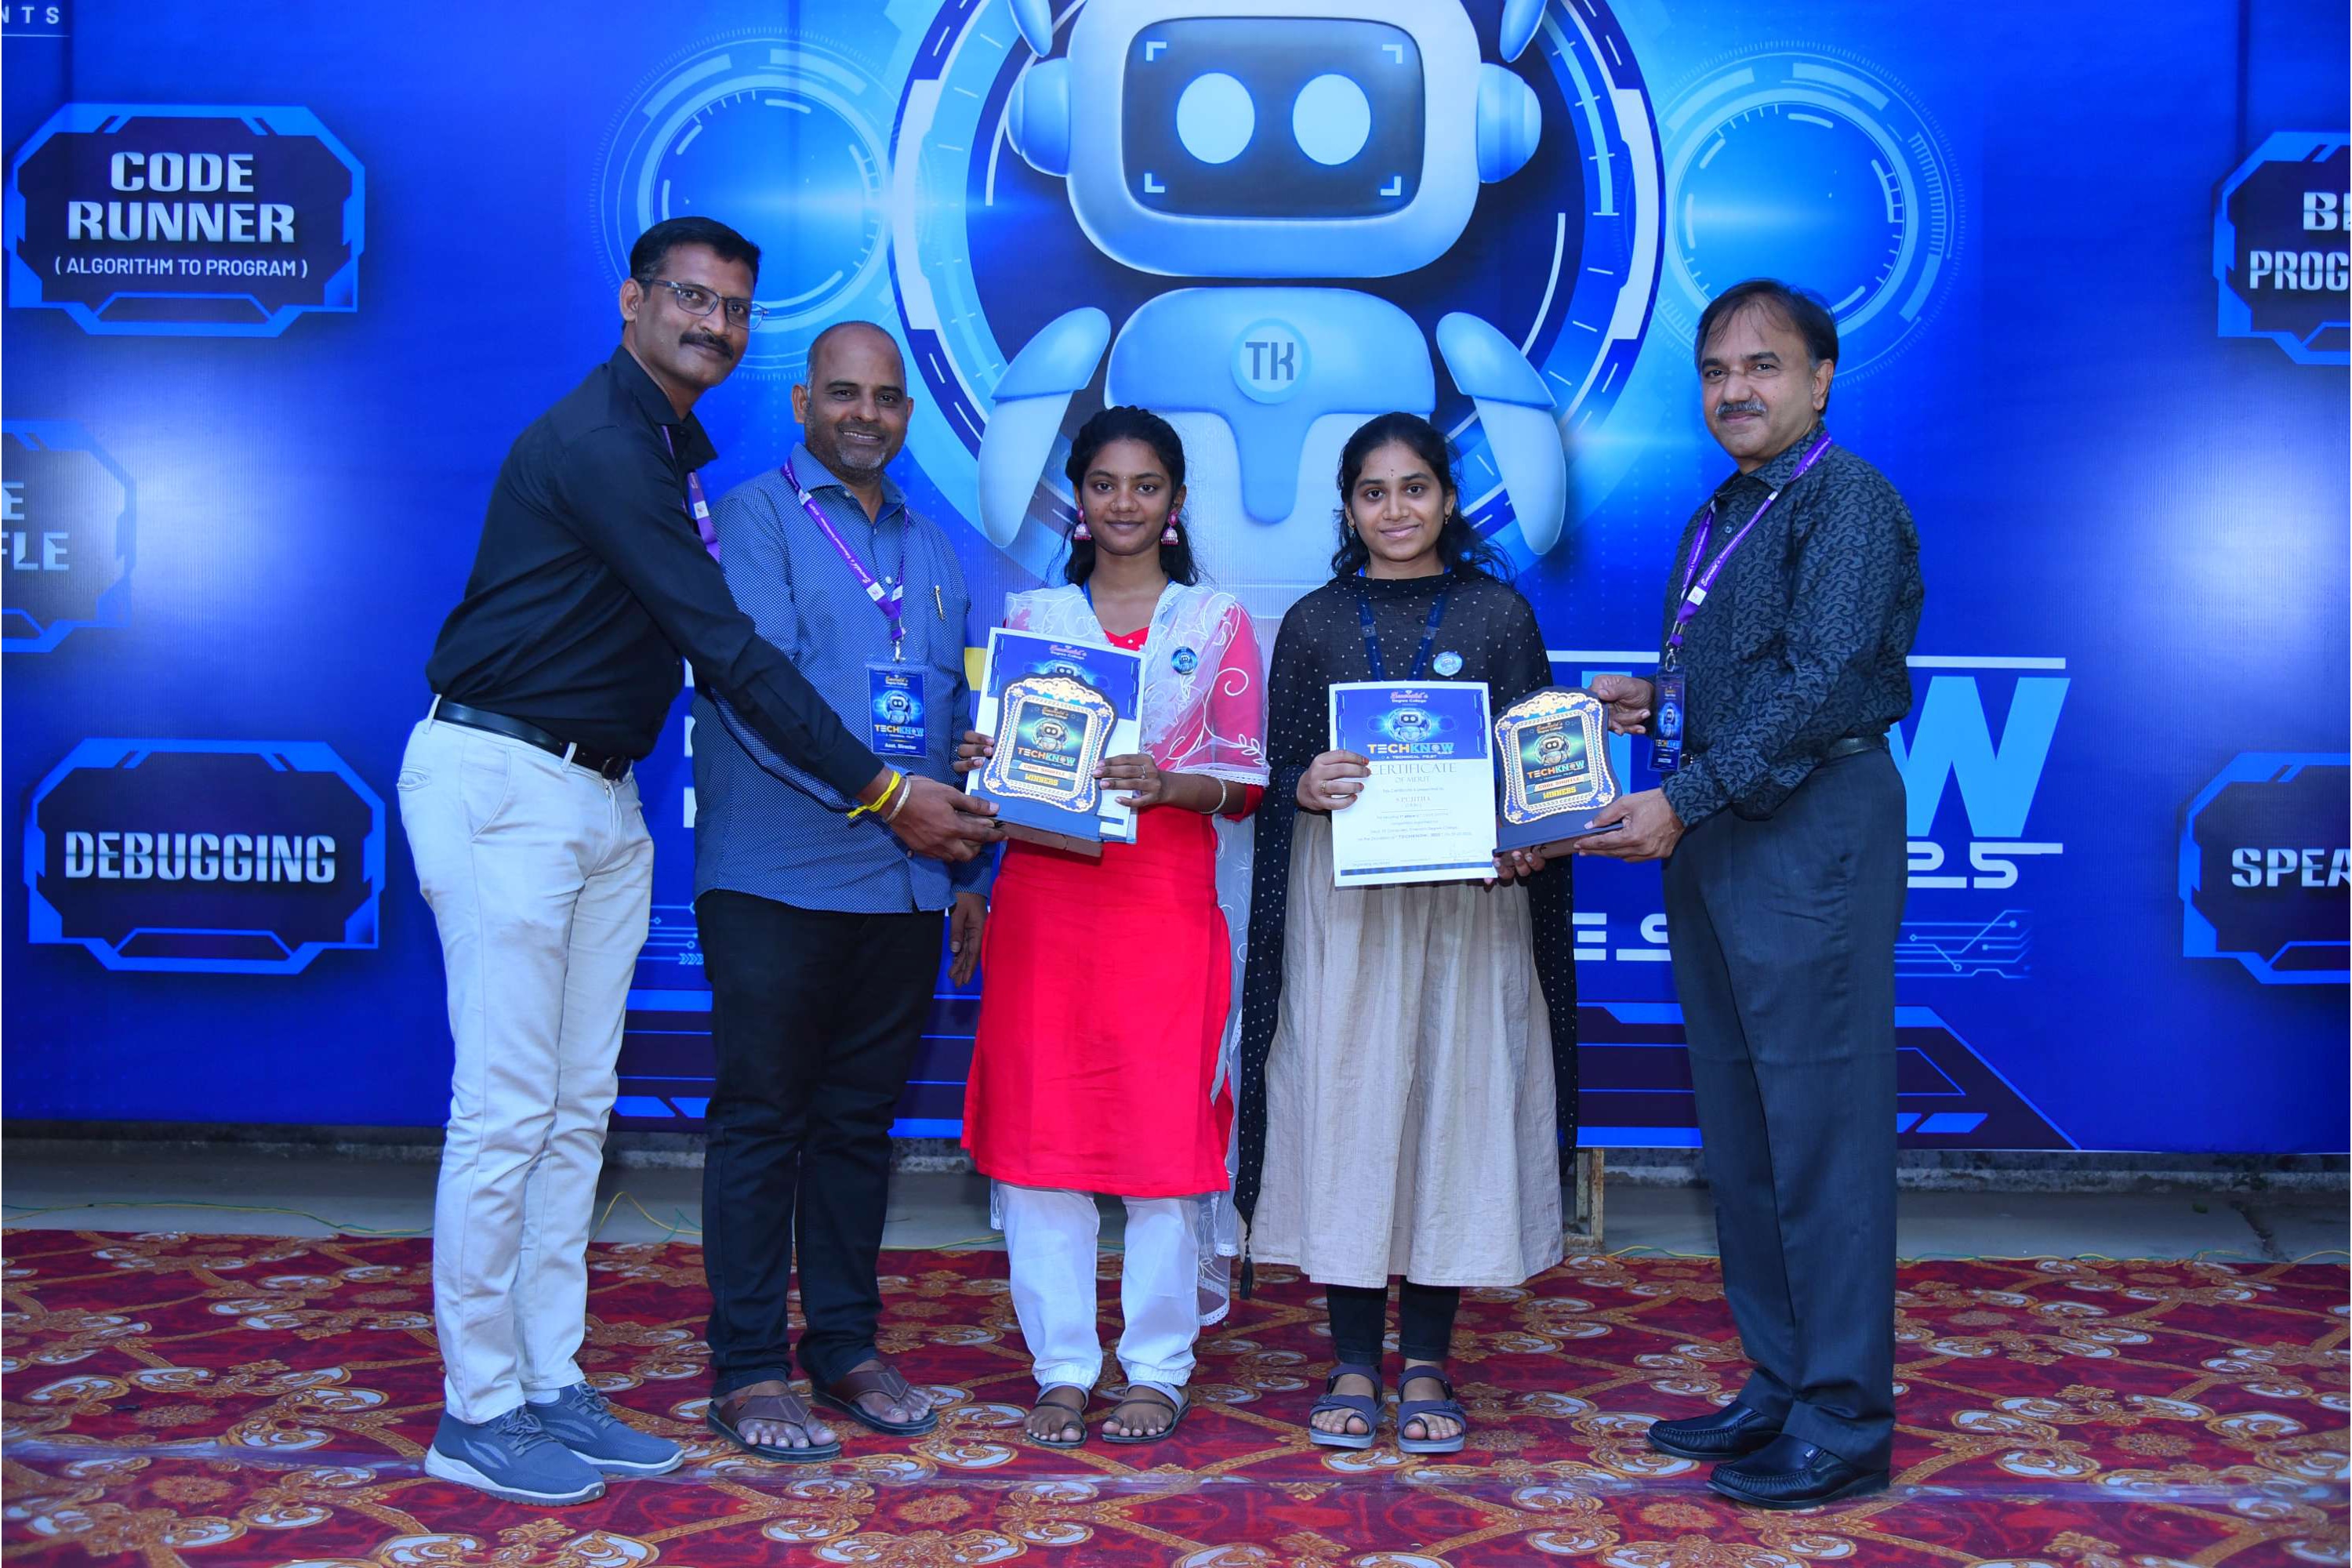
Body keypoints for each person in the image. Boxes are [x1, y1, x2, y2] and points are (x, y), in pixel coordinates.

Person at [403, 223, 998, 1506]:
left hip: (598, 790)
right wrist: (887, 794)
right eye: (689, 297)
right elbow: (727, 655)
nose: (712, 323)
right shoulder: (607, 444)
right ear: (632, 301)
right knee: (507, 1112)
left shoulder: (672, 448)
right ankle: (478, 1406)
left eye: (732, 307)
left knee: (574, 1112)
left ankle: (548, 1379)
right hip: (507, 776)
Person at [1577, 278, 1922, 1509]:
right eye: (1717, 370)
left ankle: (1845, 1416)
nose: (1736, 390)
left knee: (1820, 1132)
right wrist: (1660, 705)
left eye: (1764, 366)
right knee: (1746, 1128)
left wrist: (1686, 791)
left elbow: (1821, 683)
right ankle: (1781, 1381)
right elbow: (1754, 674)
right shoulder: (1726, 507)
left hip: (1809, 827)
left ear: (1822, 378)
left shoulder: (1848, 501)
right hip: (1724, 828)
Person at [1232, 412, 1578, 1455]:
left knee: (1449, 1118)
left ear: (1449, 497)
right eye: (1374, 492)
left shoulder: (1500, 614)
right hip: (1347, 909)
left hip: (1469, 908)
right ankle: (1350, 1359)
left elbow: (1534, 769)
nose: (1396, 510)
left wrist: (1527, 836)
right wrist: (1305, 782)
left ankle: (1426, 1360)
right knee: (1350, 1112)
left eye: (1415, 488)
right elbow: (1278, 769)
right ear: (1348, 508)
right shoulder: (1313, 622)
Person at [693, 320, 1000, 1461]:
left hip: (907, 886)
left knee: (858, 1129)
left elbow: (952, 718)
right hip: (776, 876)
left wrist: (968, 864)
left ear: (907, 414)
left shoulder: (934, 549)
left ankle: (842, 1343)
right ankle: (745, 1367)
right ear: (803, 403)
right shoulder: (752, 519)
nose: (865, 414)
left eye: (885, 398)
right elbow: (758, 693)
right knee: (763, 1122)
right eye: (842, 393)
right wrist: (890, 799)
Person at [955, 406, 1269, 1448]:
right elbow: (1001, 780)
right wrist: (984, 761)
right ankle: (1061, 1366)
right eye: (1104, 484)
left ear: (1175, 504)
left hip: (1164, 907)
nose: (1124, 503)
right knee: (1042, 1138)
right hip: (1046, 903)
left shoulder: (1214, 622)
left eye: (1146, 486)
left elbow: (1250, 780)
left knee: (1161, 1141)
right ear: (1078, 502)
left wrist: (1172, 782)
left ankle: (1157, 1367)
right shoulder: (1034, 616)